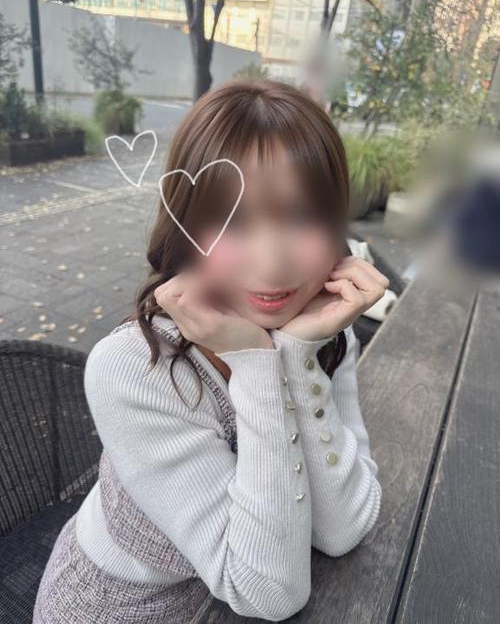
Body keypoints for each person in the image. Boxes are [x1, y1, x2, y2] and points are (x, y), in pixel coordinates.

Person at [33, 78, 388, 623]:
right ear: (187, 225)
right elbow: (268, 592)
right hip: (123, 606)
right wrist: (255, 363)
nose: (272, 262)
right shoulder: (134, 368)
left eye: (301, 217)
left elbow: (342, 530)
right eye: (233, 221)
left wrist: (297, 356)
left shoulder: (323, 330)